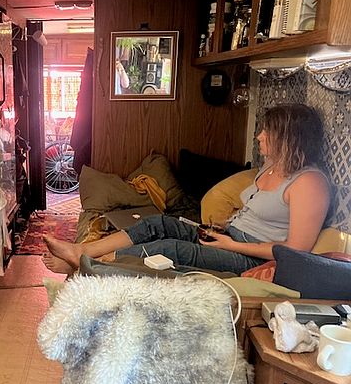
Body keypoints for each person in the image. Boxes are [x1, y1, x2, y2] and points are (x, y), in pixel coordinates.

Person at [43, 103, 331, 275]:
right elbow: (258, 211)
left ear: (290, 138)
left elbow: (297, 249)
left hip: (250, 257)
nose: (259, 136)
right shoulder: (272, 166)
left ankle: (86, 264)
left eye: (268, 132)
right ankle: (81, 251)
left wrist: (232, 245)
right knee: (157, 224)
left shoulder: (310, 183)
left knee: (168, 249)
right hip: (228, 236)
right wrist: (224, 227)